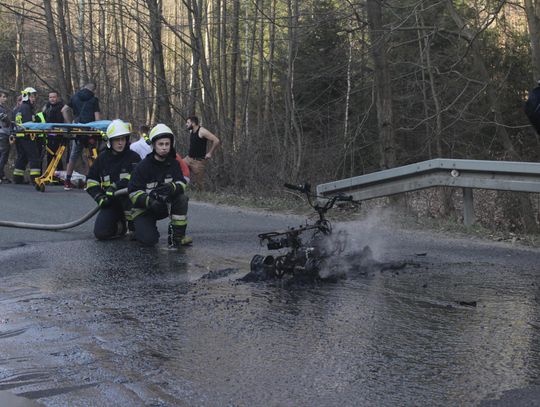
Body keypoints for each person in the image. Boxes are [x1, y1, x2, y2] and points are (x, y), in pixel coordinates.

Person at [128, 123, 192, 247]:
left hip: (163, 206)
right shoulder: (143, 166)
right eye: (160, 144)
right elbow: (133, 192)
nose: (164, 148)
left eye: (167, 144)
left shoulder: (173, 164)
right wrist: (150, 202)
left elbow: (182, 183)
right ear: (153, 145)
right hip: (144, 209)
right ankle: (135, 227)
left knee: (182, 198)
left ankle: (177, 237)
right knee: (149, 241)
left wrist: (173, 187)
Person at [86, 119, 141, 240]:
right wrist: (99, 197)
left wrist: (116, 186)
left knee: (140, 235)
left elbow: (137, 177)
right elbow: (91, 180)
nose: (120, 143)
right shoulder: (102, 159)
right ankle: (121, 227)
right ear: (110, 141)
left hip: (131, 202)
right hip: (111, 202)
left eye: (123, 139)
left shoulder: (134, 157)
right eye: (117, 139)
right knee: (101, 233)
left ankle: (133, 227)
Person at [61, 83, 102, 190]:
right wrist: (97, 128)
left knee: (73, 156)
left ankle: (67, 181)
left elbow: (64, 110)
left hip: (78, 130)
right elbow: (97, 118)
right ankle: (91, 181)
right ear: (94, 90)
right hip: (90, 131)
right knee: (92, 156)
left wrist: (70, 123)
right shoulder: (94, 99)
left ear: (84, 87)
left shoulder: (74, 97)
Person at [12, 87, 43, 185]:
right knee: (34, 157)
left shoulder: (17, 109)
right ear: (27, 96)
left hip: (19, 137)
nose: (34, 99)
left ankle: (17, 178)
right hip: (27, 136)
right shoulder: (26, 108)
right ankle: (35, 180)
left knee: (22, 157)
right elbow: (29, 124)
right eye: (33, 96)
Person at [184, 115, 220, 191]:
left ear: (193, 123)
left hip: (198, 162)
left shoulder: (202, 131)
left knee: (199, 184)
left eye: (188, 122)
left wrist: (210, 153)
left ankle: (202, 197)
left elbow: (216, 140)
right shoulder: (191, 130)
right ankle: (181, 188)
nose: (186, 124)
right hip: (188, 159)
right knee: (178, 166)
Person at [42, 91, 65, 171]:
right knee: (49, 154)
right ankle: (49, 172)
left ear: (57, 98)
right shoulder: (47, 107)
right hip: (49, 133)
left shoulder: (61, 107)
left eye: (54, 97)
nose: (52, 99)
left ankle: (58, 173)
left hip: (58, 133)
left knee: (57, 154)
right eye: (50, 97)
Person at [0, 90, 12, 184]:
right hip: (2, 133)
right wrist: (11, 123)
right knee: (4, 154)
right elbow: (5, 120)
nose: (5, 99)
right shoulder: (1, 109)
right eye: (3, 97)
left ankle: (2, 175)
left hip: (3, 133)